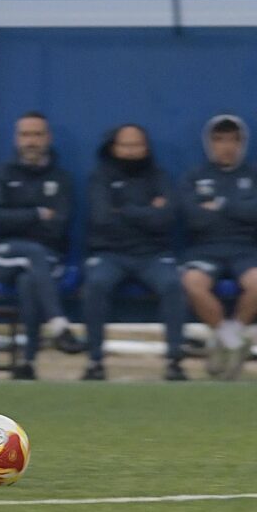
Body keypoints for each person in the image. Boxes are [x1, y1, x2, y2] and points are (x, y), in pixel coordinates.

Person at [81, 124, 187, 381]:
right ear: (114, 147)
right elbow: (101, 218)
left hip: (152, 254)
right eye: (124, 145)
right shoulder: (100, 176)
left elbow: (166, 219)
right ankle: (95, 362)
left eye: (136, 145)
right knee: (95, 285)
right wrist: (147, 210)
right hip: (110, 253)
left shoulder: (159, 176)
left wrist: (123, 210)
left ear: (146, 147)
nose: (130, 151)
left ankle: (174, 361)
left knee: (173, 285)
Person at [0, 111, 80, 380]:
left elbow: (60, 224)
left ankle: (26, 363)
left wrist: (19, 217)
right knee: (32, 255)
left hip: (48, 258)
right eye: (26, 135)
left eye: (37, 134)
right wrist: (38, 214)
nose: (31, 141)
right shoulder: (1, 175)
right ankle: (59, 325)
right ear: (17, 139)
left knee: (30, 280)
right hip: (5, 256)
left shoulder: (61, 178)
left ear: (47, 138)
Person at [180, 114, 257, 380]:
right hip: (205, 248)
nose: (226, 146)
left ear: (242, 143)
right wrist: (238, 208)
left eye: (233, 140)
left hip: (245, 248)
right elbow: (193, 218)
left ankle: (228, 338)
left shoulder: (253, 174)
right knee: (192, 282)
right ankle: (232, 341)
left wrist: (221, 205)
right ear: (209, 143)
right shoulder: (194, 176)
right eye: (220, 140)